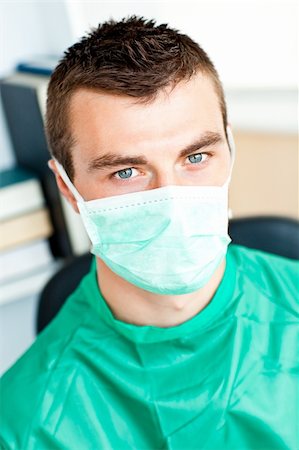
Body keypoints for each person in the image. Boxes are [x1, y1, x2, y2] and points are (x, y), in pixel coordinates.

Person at [0, 16, 298, 450]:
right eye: (126, 171)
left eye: (196, 157)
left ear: (228, 150)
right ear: (67, 186)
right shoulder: (26, 427)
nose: (172, 201)